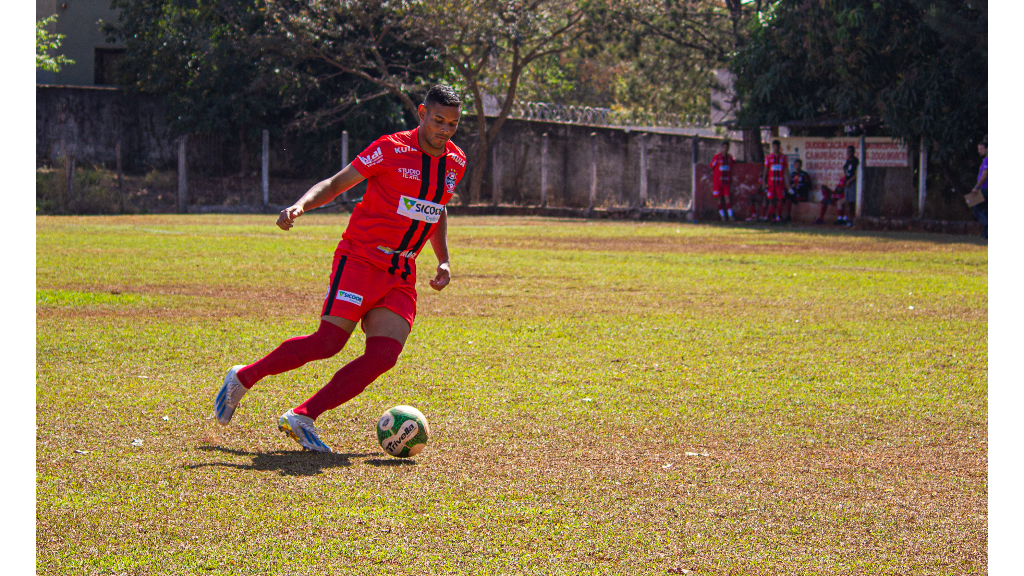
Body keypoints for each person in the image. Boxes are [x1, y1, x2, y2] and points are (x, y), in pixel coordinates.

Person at [213, 85, 467, 452]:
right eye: (439, 120)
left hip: (401, 271)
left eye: (453, 124)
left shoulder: (455, 161)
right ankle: (243, 377)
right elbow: (336, 183)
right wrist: (300, 206)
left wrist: (442, 258)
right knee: (329, 343)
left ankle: (302, 416)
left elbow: (437, 208)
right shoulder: (391, 148)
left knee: (383, 356)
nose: (444, 129)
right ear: (422, 112)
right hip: (362, 258)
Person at [814, 145, 858, 226]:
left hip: (851, 184)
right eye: (848, 151)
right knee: (833, 199)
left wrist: (849, 181)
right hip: (846, 186)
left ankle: (849, 220)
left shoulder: (855, 161)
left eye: (851, 151)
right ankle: (843, 219)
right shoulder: (847, 162)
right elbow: (839, 187)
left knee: (849, 202)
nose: (849, 153)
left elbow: (857, 173)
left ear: (854, 152)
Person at [759, 140, 790, 222]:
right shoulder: (768, 157)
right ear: (773, 147)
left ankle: (779, 216)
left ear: (779, 147)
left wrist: (788, 183)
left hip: (780, 183)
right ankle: (773, 216)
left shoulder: (783, 158)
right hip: (771, 183)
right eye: (774, 146)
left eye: (777, 146)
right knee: (771, 199)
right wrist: (763, 182)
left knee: (780, 199)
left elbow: (786, 171)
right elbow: (765, 170)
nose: (776, 148)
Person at [710, 141, 736, 221]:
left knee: (727, 198)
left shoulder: (729, 157)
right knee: (719, 199)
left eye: (727, 148)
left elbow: (733, 162)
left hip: (726, 182)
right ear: (721, 148)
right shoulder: (717, 157)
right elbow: (711, 166)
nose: (725, 149)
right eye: (724, 147)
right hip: (718, 182)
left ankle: (730, 216)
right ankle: (722, 216)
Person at [782, 158, 811, 223]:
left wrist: (800, 186)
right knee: (787, 195)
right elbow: (789, 184)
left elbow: (809, 186)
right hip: (793, 193)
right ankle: (787, 215)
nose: (797, 166)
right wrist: (791, 186)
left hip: (801, 193)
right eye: (796, 165)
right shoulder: (792, 175)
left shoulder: (805, 175)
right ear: (794, 165)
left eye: (799, 165)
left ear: (801, 166)